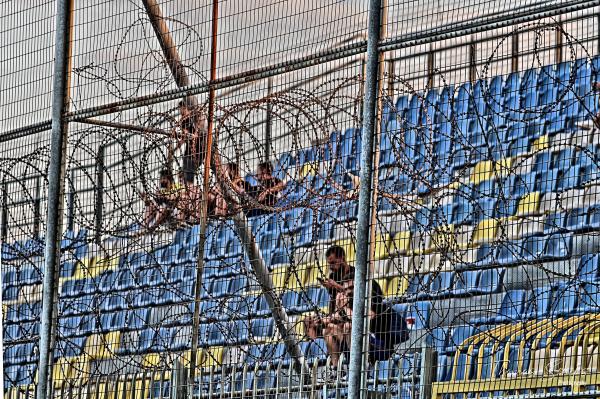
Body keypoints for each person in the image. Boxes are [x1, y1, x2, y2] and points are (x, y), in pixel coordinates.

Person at [304, 245, 409, 377]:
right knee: (327, 329)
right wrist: (323, 319)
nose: (345, 291)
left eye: (333, 263)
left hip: (376, 342)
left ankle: (360, 368)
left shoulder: (370, 297)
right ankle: (336, 370)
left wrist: (340, 298)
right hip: (354, 341)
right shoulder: (340, 291)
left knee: (348, 326)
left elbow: (366, 319)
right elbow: (337, 316)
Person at [177, 101, 208, 184]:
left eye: (181, 109)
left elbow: (186, 134)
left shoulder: (191, 118)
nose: (180, 111)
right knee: (186, 174)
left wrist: (179, 144)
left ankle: (189, 191)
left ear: (185, 108)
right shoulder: (188, 119)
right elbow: (186, 134)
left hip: (194, 152)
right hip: (195, 151)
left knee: (188, 175)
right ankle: (188, 191)